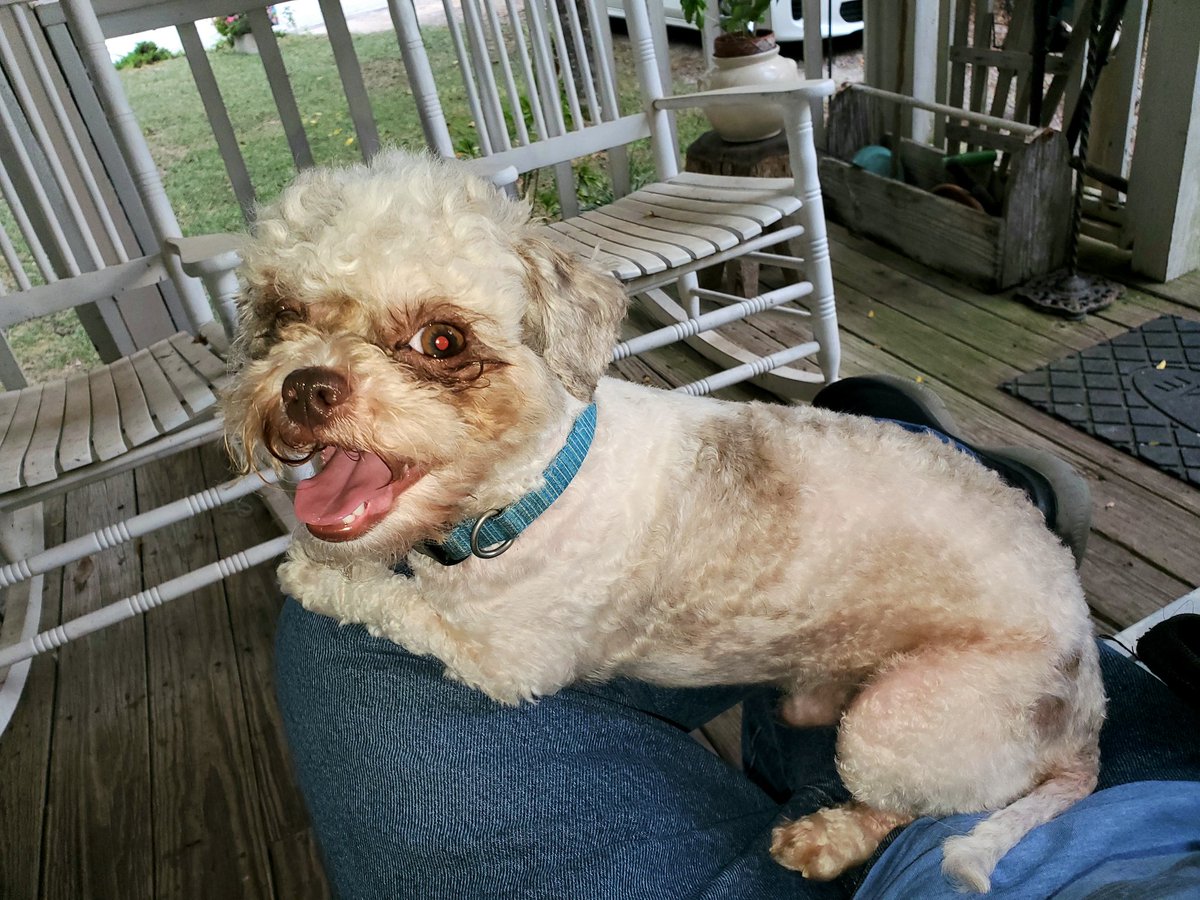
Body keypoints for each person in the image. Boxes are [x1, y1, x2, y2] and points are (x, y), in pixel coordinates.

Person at [273, 376, 1200, 899]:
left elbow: (508, 668)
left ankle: (873, 801)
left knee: (341, 613)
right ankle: (959, 502)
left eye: (440, 347)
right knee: (836, 495)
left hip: (992, 786)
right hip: (1162, 777)